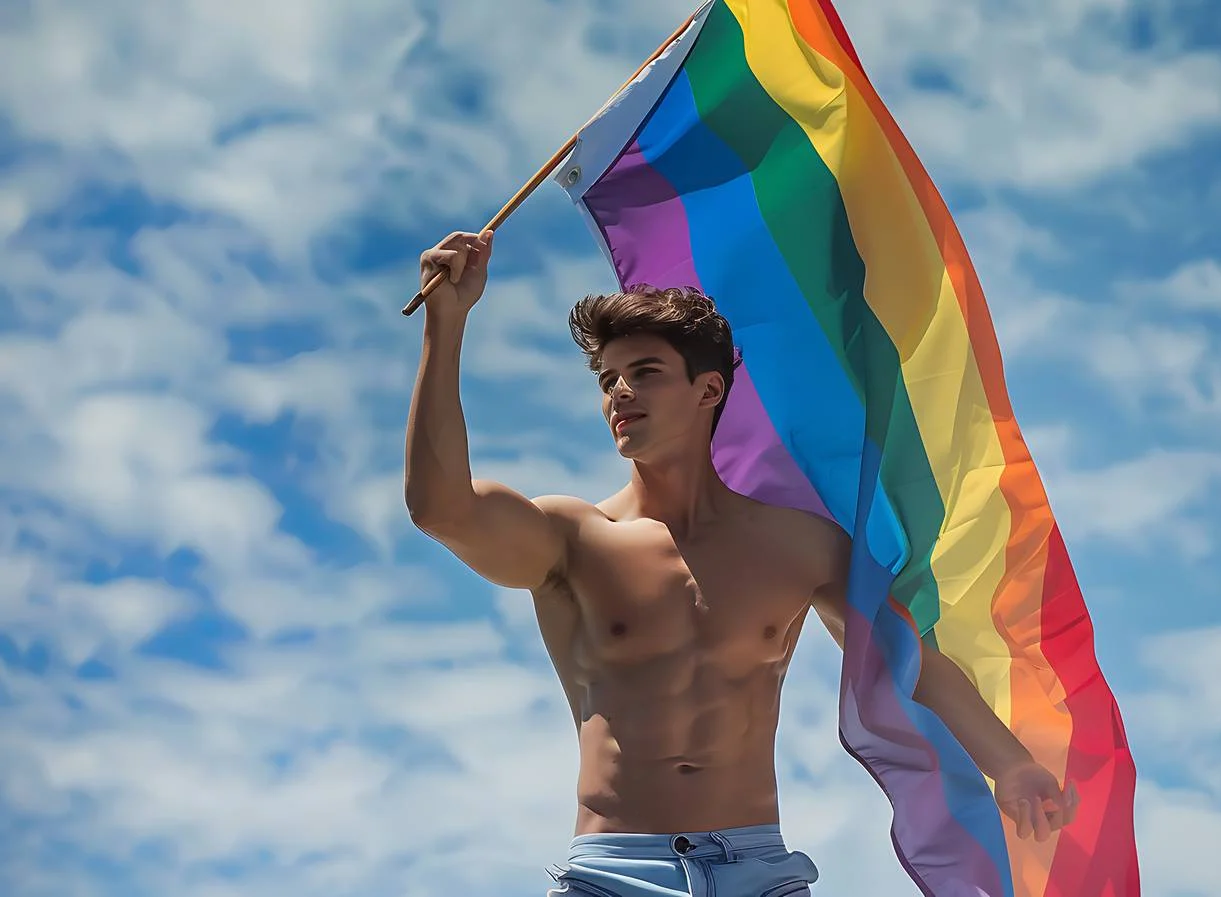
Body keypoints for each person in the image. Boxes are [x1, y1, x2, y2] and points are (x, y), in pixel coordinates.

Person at [404, 230, 1078, 897]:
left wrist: (1010, 762)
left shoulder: (800, 545)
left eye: (645, 373)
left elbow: (908, 657)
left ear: (708, 391)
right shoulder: (572, 537)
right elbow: (442, 510)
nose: (620, 394)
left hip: (758, 870)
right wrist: (447, 321)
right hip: (615, 874)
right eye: (608, 379)